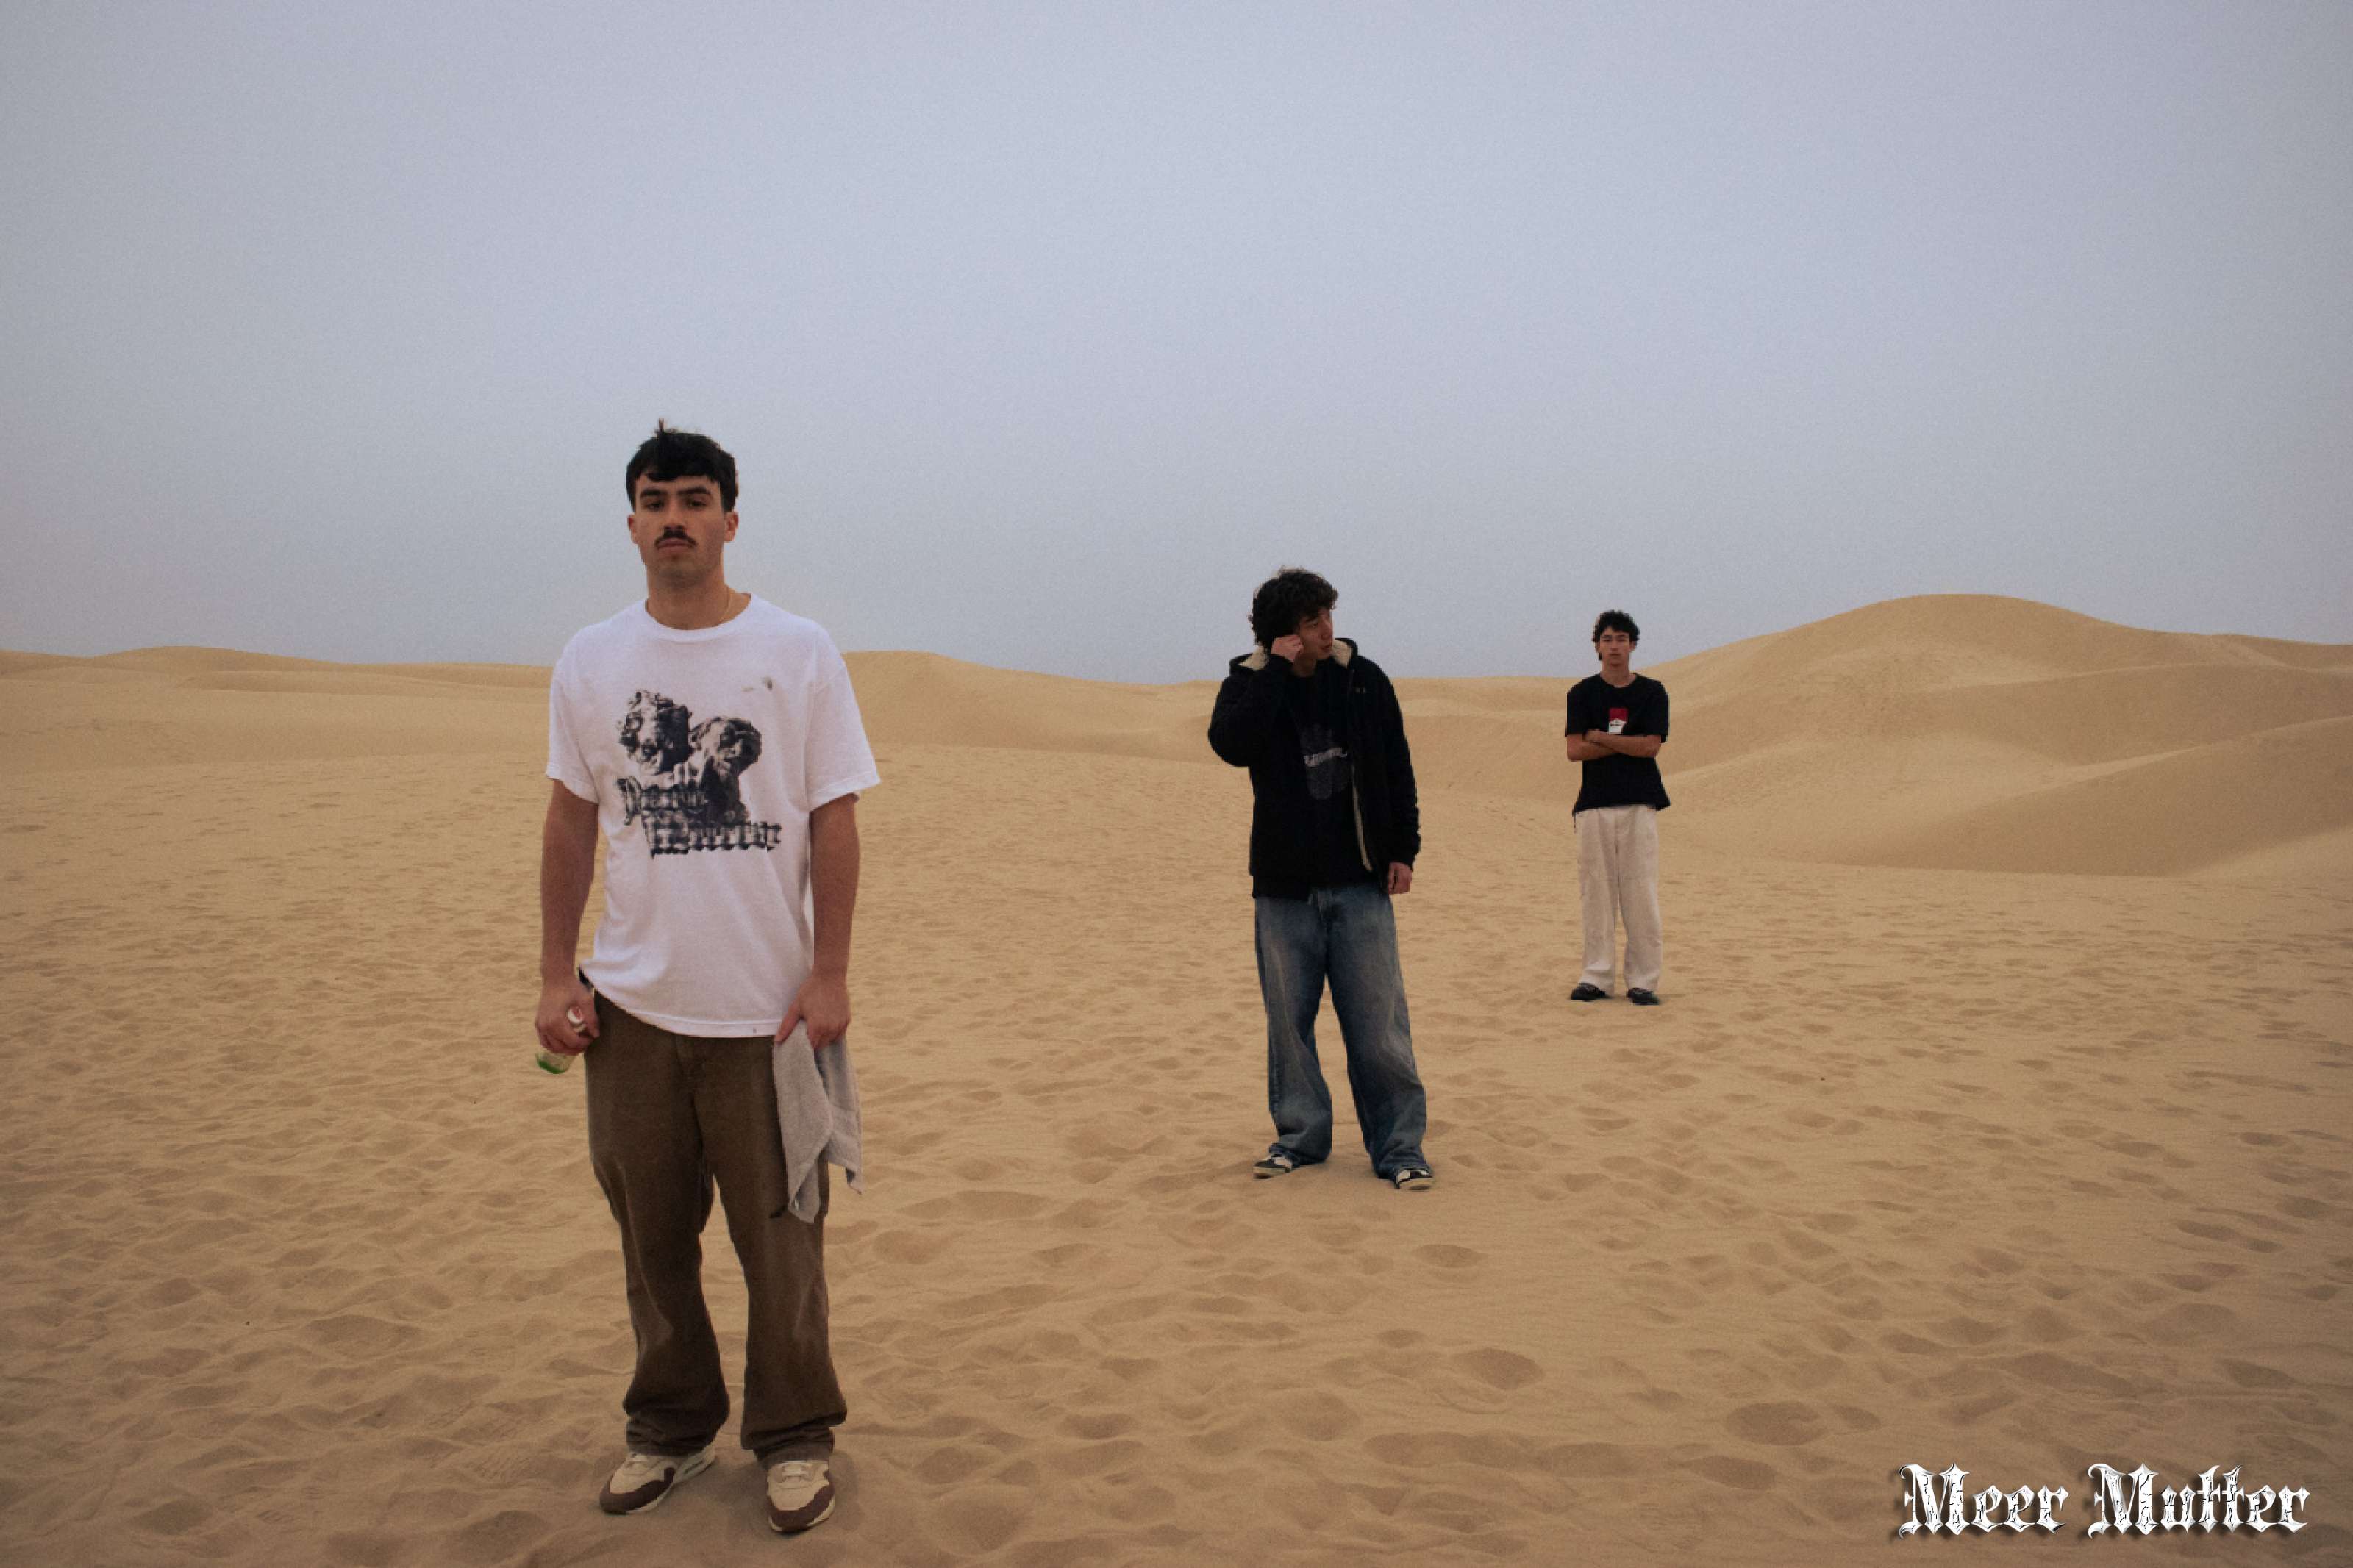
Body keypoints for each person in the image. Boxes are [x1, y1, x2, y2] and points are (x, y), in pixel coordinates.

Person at [536, 423, 879, 1535]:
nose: (673, 516)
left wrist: (829, 973)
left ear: (731, 519)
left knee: (783, 1241)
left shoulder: (798, 648)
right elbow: (571, 819)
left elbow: (834, 814)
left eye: (694, 497)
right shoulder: (591, 660)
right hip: (632, 1007)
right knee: (651, 1239)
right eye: (653, 499)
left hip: (768, 1011)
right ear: (630, 522)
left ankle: (792, 1438)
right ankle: (672, 1428)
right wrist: (556, 974)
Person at [1208, 568, 1435, 1190]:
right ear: (1285, 633)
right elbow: (1231, 744)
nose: (1327, 629)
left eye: (1328, 614)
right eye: (1312, 621)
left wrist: (1403, 849)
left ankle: (1399, 1146)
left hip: (1360, 880)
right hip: (1284, 888)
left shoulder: (1363, 680)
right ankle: (1301, 1137)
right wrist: (1275, 672)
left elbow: (1398, 767)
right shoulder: (1251, 684)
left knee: (1379, 1024)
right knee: (1290, 1022)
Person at [1564, 609, 1669, 1005]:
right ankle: (1596, 976)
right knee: (1596, 892)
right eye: (1607, 639)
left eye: (1622, 639)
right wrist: (1626, 741)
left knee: (1641, 892)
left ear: (1633, 646)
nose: (1614, 647)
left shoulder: (1652, 693)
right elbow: (1575, 751)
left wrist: (1601, 739)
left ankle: (1644, 981)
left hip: (1640, 803)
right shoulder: (1582, 694)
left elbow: (1650, 747)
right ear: (1596, 646)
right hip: (1594, 806)